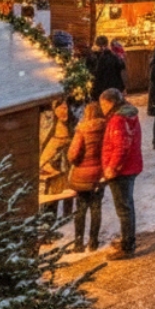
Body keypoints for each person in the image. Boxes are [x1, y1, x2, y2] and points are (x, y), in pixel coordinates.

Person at [99, 87, 143, 260]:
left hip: (122, 171)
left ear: (110, 103)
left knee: (124, 208)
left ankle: (127, 246)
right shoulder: (129, 115)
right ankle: (127, 239)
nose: (101, 108)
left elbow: (121, 147)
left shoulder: (118, 120)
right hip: (131, 166)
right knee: (127, 206)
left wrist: (112, 168)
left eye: (103, 103)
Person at [67, 100, 106, 253]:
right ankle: (93, 241)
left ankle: (78, 243)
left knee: (81, 208)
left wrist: (76, 161)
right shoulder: (106, 127)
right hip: (99, 174)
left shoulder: (82, 130)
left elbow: (73, 154)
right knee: (96, 207)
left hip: (82, 176)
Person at [90, 34, 126, 100]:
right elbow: (121, 67)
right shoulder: (113, 56)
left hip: (101, 89)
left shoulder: (95, 57)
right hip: (115, 87)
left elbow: (96, 74)